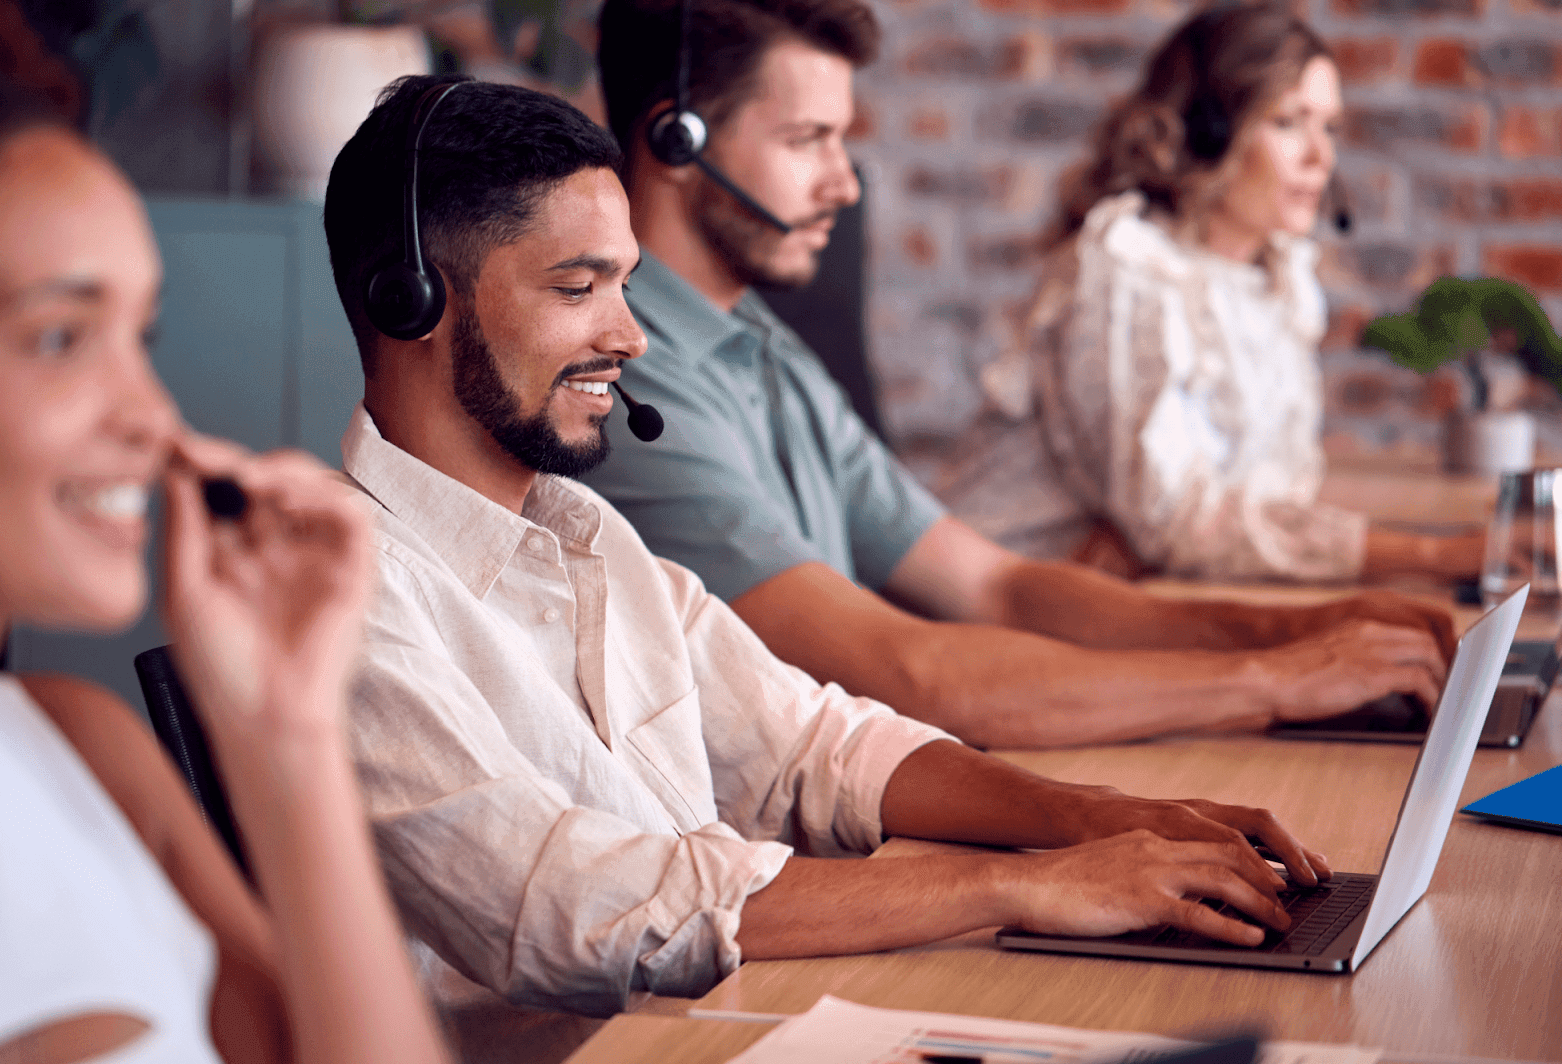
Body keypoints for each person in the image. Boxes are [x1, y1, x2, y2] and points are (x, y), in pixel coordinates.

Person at [323, 73, 1336, 1019]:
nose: (632, 338)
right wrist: (1022, 881)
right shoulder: (343, 596)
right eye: (578, 288)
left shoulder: (587, 536)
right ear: (407, 297)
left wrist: (1097, 821)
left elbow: (814, 746)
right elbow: (565, 900)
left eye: (626, 286)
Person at [580, 0, 1457, 750]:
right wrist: (1271, 680)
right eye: (809, 140)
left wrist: (1306, 629)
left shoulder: (759, 340)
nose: (846, 185)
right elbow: (902, 669)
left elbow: (997, 584)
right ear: (676, 138)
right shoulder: (626, 379)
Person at [0, 63, 450, 1064]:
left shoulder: (79, 745)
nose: (150, 416)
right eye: (60, 336)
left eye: (140, 336)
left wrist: (287, 732)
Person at [935, 3, 1485, 584]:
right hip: (996, 615)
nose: (1321, 158)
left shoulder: (1273, 278)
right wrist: (1438, 556)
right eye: (1289, 122)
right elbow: (1180, 523)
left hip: (1130, 602)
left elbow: (1263, 498)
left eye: (1329, 127)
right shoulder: (1129, 271)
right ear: (1210, 133)